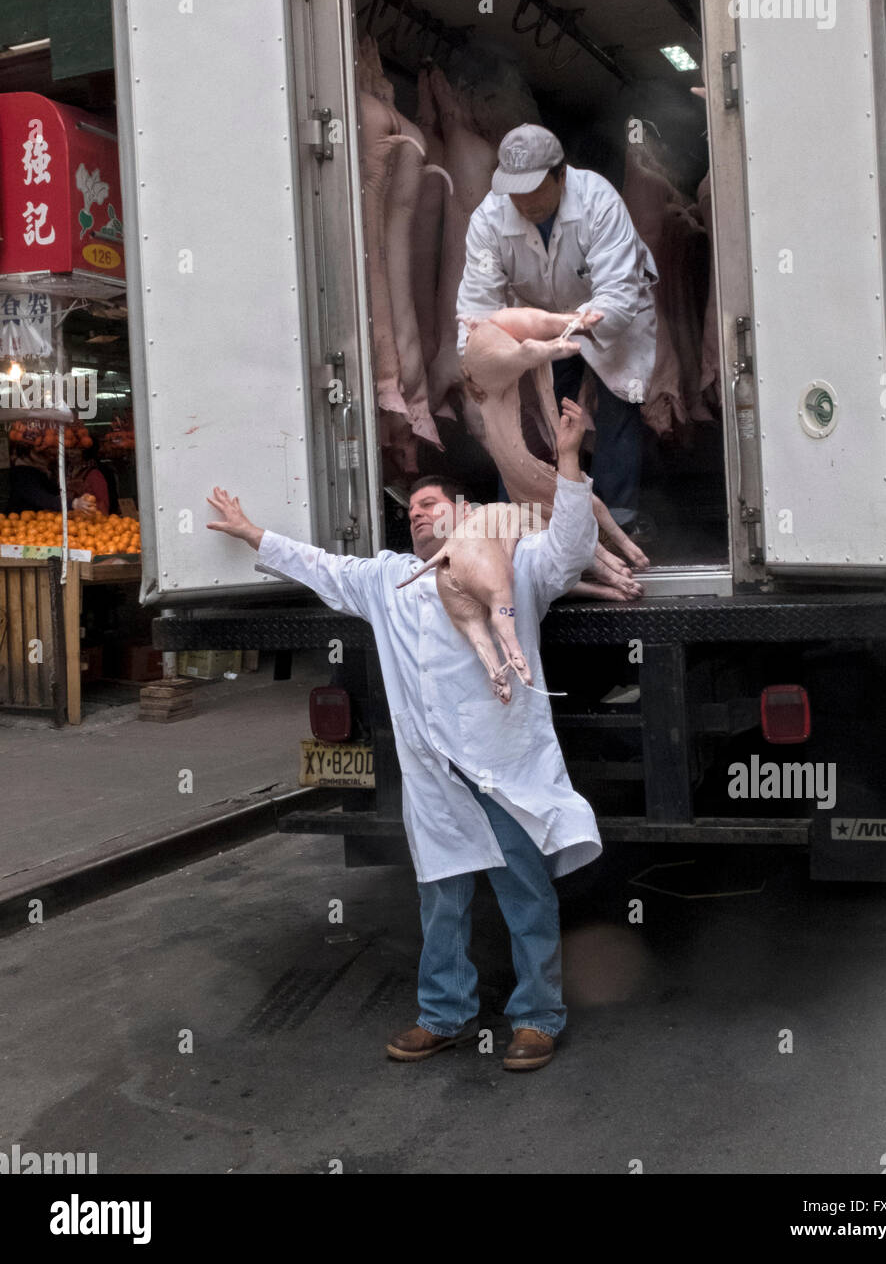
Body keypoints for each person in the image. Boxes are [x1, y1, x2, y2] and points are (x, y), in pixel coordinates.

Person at [205, 398, 602, 1072]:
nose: (418, 511)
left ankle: (536, 1017)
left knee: (523, 890)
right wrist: (252, 534)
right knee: (439, 896)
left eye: (431, 504)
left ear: (465, 513)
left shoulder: (515, 562)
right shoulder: (387, 579)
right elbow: (320, 566)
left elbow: (570, 548)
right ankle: (443, 1014)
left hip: (499, 766)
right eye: (411, 507)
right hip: (433, 776)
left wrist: (567, 462)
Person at [456, 123, 659, 531]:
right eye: (515, 190)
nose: (524, 202)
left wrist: (571, 325)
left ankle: (617, 521)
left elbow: (616, 298)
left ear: (561, 175)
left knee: (619, 403)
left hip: (607, 314)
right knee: (531, 416)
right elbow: (478, 305)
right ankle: (522, 520)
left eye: (534, 189)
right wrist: (478, 367)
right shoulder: (488, 220)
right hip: (536, 317)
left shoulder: (598, 200)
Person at [6, 443, 97, 516]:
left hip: (42, 524)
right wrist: (74, 503)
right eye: (45, 452)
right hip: (20, 524)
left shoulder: (43, 471)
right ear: (31, 454)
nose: (50, 456)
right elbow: (41, 497)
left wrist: (71, 489)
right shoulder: (22, 473)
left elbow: (53, 494)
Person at [66, 433, 111, 515]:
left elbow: (103, 506)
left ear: (86, 452)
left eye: (77, 449)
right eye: (70, 448)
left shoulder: (94, 474)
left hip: (90, 521)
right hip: (73, 520)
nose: (71, 453)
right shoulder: (69, 470)